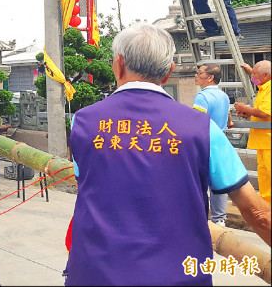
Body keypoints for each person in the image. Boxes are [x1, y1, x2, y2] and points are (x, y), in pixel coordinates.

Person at [64, 23, 270, 286]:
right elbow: (258, 213)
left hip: (96, 274)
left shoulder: (83, 122)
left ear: (118, 64)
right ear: (168, 72)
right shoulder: (202, 128)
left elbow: (89, 182)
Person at [192, 63, 233, 226]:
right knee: (218, 181)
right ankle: (219, 219)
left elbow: (196, 121)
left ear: (210, 77)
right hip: (221, 141)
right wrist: (229, 123)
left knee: (200, 181)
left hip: (205, 142)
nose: (196, 75)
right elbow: (228, 115)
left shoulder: (202, 97)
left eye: (200, 72)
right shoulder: (223, 95)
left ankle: (200, 218)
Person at [235, 61, 271, 204]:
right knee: (264, 176)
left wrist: (245, 107)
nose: (253, 77)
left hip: (268, 141)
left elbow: (264, 112)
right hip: (263, 142)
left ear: (266, 75)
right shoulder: (264, 88)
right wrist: (248, 113)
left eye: (255, 74)